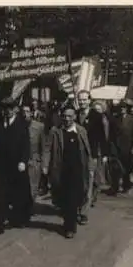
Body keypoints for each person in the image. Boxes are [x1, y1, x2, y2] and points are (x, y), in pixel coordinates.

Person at [43, 105, 93, 239]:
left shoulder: (81, 131)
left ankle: (71, 224)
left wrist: (90, 166)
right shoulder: (56, 131)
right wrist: (45, 165)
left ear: (75, 117)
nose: (66, 119)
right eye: (64, 116)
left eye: (70, 116)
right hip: (61, 170)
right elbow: (47, 148)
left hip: (78, 169)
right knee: (65, 199)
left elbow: (87, 150)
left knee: (76, 197)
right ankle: (69, 224)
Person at [0, 97, 33, 236]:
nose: (6, 111)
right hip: (1, 167)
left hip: (17, 166)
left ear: (15, 109)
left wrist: (23, 161)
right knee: (0, 196)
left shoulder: (22, 124)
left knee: (20, 194)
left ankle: (19, 218)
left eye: (9, 108)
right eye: (4, 108)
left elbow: (26, 145)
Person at [76, 90, 108, 218]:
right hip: (76, 153)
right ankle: (78, 204)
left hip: (91, 154)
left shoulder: (97, 116)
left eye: (84, 99)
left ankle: (84, 212)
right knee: (78, 181)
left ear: (89, 100)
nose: (82, 102)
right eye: (80, 100)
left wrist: (104, 154)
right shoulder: (75, 115)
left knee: (89, 182)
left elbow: (102, 137)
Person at [106, 100, 133, 195]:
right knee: (116, 168)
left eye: (124, 108)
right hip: (117, 147)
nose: (122, 110)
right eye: (121, 108)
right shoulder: (115, 119)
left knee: (126, 168)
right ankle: (115, 187)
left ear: (126, 109)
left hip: (128, 147)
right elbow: (111, 134)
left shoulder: (132, 120)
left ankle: (126, 185)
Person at [21, 103, 47, 201]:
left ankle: (29, 206)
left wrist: (44, 165)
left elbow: (44, 147)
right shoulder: (17, 126)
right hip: (20, 160)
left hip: (34, 160)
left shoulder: (39, 127)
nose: (25, 114)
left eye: (27, 112)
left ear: (32, 113)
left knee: (33, 186)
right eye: (23, 112)